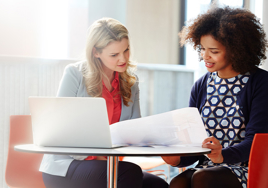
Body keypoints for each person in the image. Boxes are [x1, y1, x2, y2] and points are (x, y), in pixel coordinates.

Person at [40, 17, 169, 188]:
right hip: (66, 166)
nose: (123, 59)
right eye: (114, 55)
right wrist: (98, 155)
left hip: (110, 164)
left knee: (158, 185)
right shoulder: (74, 74)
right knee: (129, 173)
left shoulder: (131, 82)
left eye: (126, 50)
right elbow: (60, 128)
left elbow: (135, 128)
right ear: (96, 52)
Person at [162, 6, 268, 188]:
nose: (205, 56)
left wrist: (222, 156)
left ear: (236, 50)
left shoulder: (260, 83)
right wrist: (176, 159)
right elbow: (196, 146)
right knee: (178, 182)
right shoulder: (201, 86)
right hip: (208, 167)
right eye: (202, 49)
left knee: (204, 178)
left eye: (214, 51)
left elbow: (256, 142)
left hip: (248, 169)